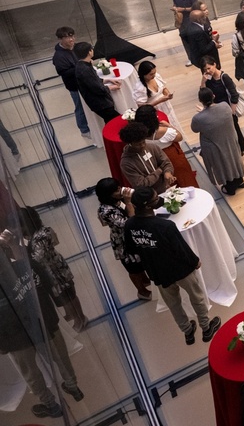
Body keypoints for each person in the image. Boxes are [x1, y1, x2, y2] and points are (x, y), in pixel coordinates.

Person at [0, 235, 84, 419]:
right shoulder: (26, 267)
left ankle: (51, 405)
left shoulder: (23, 268)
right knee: (59, 357)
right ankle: (73, 386)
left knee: (31, 372)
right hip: (42, 323)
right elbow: (46, 285)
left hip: (15, 338)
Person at [124, 187, 221, 344]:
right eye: (156, 199)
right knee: (197, 297)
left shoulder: (129, 225)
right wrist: (195, 261)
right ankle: (206, 327)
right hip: (182, 270)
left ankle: (187, 331)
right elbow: (181, 250)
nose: (159, 200)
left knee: (173, 304)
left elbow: (131, 249)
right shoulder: (165, 226)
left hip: (158, 273)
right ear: (148, 206)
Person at [18, 205, 90, 332]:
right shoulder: (35, 234)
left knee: (69, 295)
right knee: (62, 295)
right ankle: (71, 314)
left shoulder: (41, 235)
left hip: (56, 271)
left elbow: (38, 257)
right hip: (50, 270)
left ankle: (81, 318)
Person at [95, 177, 152, 300]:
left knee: (139, 261)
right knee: (133, 268)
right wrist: (129, 202)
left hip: (133, 236)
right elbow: (130, 222)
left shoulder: (116, 200)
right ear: (107, 195)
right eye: (116, 190)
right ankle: (141, 291)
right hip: (123, 242)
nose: (120, 191)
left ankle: (145, 279)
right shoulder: (106, 211)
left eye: (119, 187)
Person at [191, 87, 244, 195]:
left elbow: (195, 129)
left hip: (214, 145)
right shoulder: (225, 106)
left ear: (200, 101)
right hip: (230, 139)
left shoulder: (198, 118)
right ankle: (240, 181)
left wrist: (203, 112)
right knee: (234, 159)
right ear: (213, 96)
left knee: (223, 164)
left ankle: (230, 187)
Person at [133, 104, 198, 187]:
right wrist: (169, 125)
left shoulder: (138, 133)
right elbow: (179, 137)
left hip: (155, 160)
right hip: (172, 157)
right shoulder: (163, 131)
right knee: (184, 179)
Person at [201, 56, 244, 154]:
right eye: (205, 70)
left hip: (228, 110)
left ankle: (239, 149)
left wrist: (231, 112)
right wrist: (203, 82)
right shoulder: (208, 79)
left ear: (214, 64)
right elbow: (204, 95)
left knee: (234, 130)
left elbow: (234, 95)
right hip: (217, 111)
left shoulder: (224, 77)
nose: (208, 71)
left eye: (209, 68)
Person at [51, 26, 91, 137]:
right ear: (60, 39)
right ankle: (84, 129)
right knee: (80, 106)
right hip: (75, 86)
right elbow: (63, 72)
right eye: (67, 37)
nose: (71, 39)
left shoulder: (77, 47)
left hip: (85, 81)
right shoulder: (58, 56)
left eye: (72, 36)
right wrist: (82, 65)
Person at [119, 121, 176, 195]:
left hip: (166, 189)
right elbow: (141, 184)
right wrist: (159, 170)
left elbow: (166, 163)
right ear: (130, 143)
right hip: (150, 197)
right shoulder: (126, 163)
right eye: (138, 144)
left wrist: (168, 172)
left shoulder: (152, 147)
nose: (142, 145)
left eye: (143, 142)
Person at [74, 41, 122, 122]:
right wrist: (112, 87)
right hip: (100, 103)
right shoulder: (85, 69)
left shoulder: (83, 65)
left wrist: (107, 80)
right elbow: (98, 88)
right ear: (89, 52)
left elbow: (93, 81)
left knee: (110, 122)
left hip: (98, 103)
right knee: (116, 121)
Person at [134, 60, 182, 128]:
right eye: (151, 74)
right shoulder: (140, 88)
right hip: (155, 111)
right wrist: (160, 100)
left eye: (154, 73)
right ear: (144, 74)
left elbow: (163, 87)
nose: (154, 75)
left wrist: (168, 94)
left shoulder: (156, 76)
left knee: (173, 122)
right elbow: (142, 107)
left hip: (166, 106)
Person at [169, 0, 199, 65]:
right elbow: (175, 2)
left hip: (190, 19)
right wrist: (175, 7)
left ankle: (198, 56)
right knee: (184, 38)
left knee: (193, 38)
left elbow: (196, 7)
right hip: (181, 20)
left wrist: (183, 9)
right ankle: (190, 58)